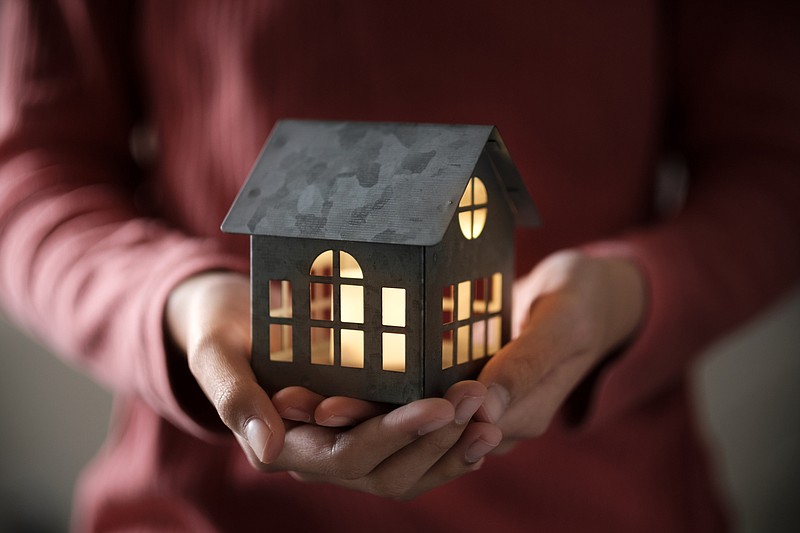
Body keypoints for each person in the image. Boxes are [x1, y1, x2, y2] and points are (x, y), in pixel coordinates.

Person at [1, 1, 798, 531]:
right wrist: (175, 302)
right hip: (205, 503)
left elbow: (776, 161)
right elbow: (33, 165)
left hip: (606, 501)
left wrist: (628, 293)